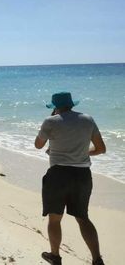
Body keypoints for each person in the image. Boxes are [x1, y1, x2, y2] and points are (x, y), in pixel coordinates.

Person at [34, 92, 106, 265]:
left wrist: (52, 123)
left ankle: (55, 256)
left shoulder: (51, 121)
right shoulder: (88, 119)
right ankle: (97, 259)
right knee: (83, 217)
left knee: (55, 217)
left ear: (56, 107)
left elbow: (38, 145)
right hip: (82, 176)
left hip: (58, 175)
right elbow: (101, 149)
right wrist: (80, 153)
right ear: (71, 104)